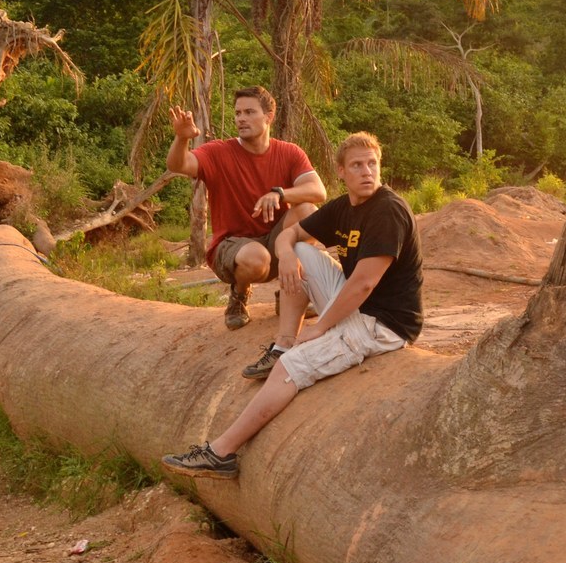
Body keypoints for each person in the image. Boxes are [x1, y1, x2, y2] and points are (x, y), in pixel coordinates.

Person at [162, 131, 422, 480]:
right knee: (299, 252)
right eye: (357, 165)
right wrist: (284, 255)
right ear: (341, 172)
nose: (366, 172)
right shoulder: (345, 207)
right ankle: (282, 342)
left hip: (381, 323)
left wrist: (320, 327)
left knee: (290, 368)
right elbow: (291, 234)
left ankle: (221, 453)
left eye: (372, 164)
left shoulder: (387, 210)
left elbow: (364, 284)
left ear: (380, 167)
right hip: (357, 305)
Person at [167, 86, 326, 350]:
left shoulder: (289, 153)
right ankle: (239, 295)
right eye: (238, 113)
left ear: (269, 117)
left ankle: (289, 293)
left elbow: (318, 191)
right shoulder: (218, 152)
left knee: (308, 212)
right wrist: (181, 139)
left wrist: (279, 194)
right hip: (233, 247)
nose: (241, 118)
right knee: (257, 258)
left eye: (250, 112)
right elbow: (178, 165)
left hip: (276, 241)